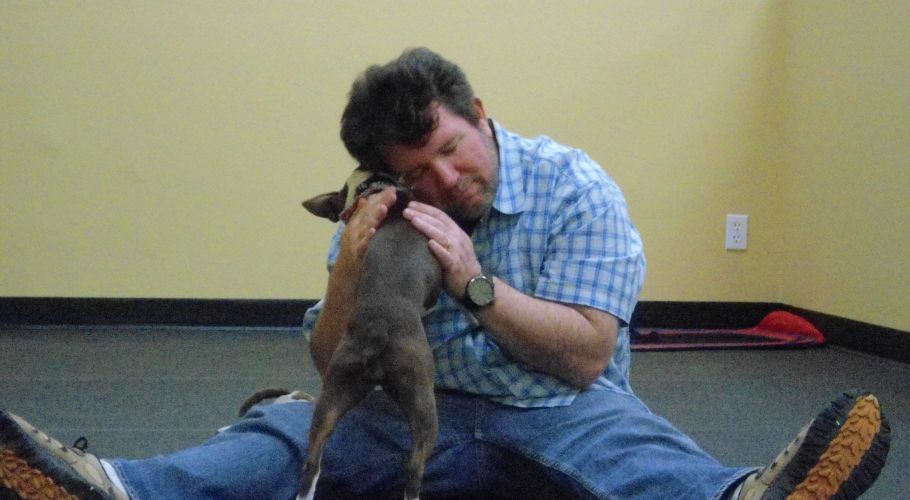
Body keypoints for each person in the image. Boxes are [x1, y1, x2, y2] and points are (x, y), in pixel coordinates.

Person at [0, 47, 890, 500]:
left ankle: (746, 495)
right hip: (403, 408)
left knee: (634, 451)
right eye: (414, 170)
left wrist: (473, 281)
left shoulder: (577, 189)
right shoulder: (380, 203)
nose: (443, 182)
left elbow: (582, 358)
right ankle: (111, 485)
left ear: (479, 114)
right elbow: (329, 356)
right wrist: (351, 264)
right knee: (287, 437)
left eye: (452, 151)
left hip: (556, 411)